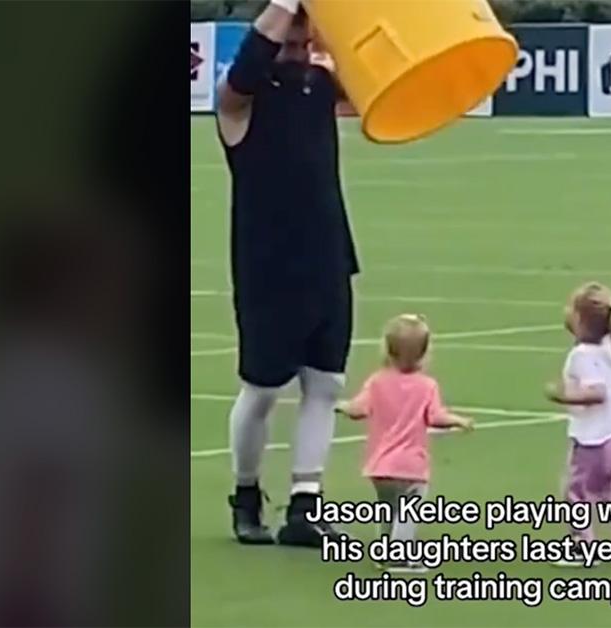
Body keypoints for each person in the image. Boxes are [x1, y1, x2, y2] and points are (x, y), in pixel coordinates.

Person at [215, 0, 359, 546]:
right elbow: (249, 64)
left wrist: (331, 28)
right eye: (290, 46)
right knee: (262, 389)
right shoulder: (237, 105)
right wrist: (285, 6)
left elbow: (363, 85)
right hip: (267, 264)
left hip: (327, 255)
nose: (300, 56)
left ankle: (306, 503)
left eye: (305, 45)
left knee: (325, 384)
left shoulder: (316, 89)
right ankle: (246, 493)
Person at [336, 314, 475, 571]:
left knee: (388, 508)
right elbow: (435, 417)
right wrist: (458, 420)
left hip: (379, 464)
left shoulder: (377, 381)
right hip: (410, 464)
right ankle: (400, 555)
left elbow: (358, 409)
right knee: (409, 511)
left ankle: (385, 549)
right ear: (424, 354)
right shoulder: (426, 386)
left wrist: (340, 405)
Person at [545, 282, 611, 562]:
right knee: (605, 486)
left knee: (575, 492)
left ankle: (581, 548)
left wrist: (563, 396)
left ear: (580, 320)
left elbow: (596, 392)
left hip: (594, 442)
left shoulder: (582, 356)